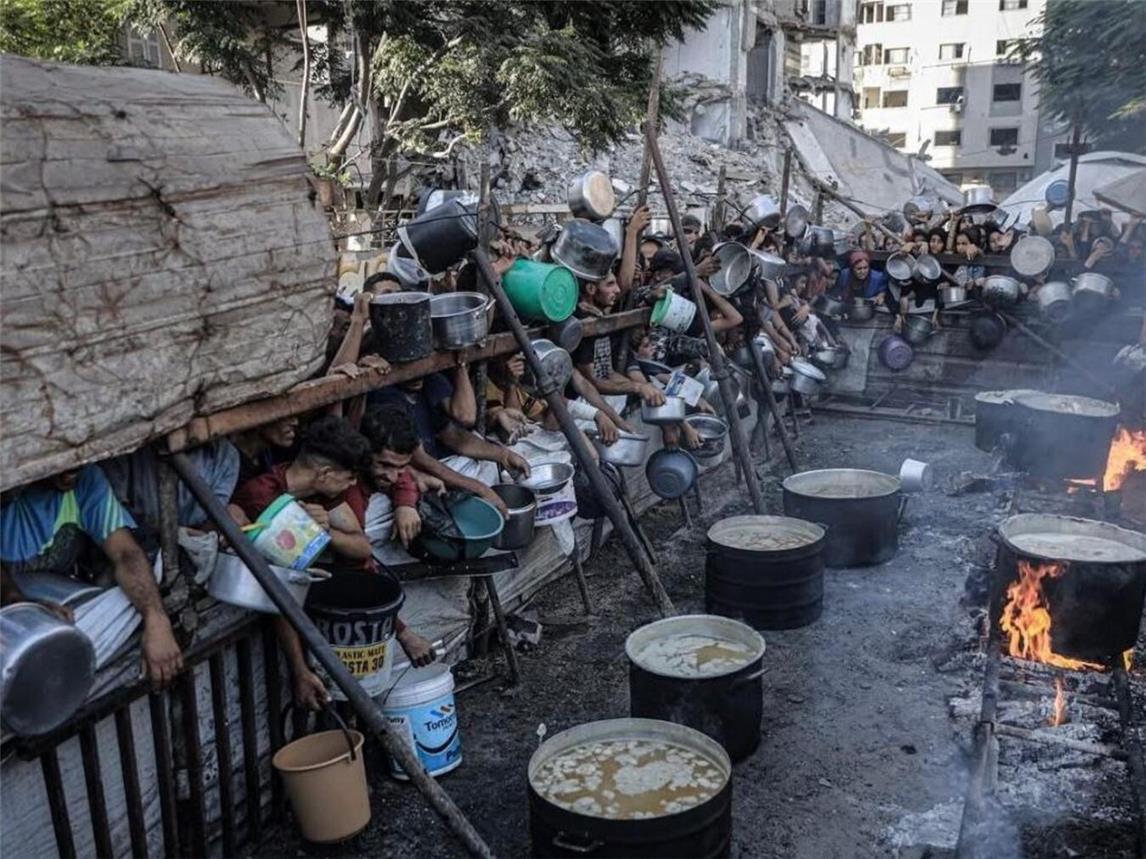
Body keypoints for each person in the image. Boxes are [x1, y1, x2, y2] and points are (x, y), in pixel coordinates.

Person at [0, 465, 184, 686]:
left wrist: (156, 619)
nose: (70, 471)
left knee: (141, 587)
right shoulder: (8, 490)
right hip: (14, 618)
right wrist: (25, 610)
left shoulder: (84, 479)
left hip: (58, 604)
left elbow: (125, 553)